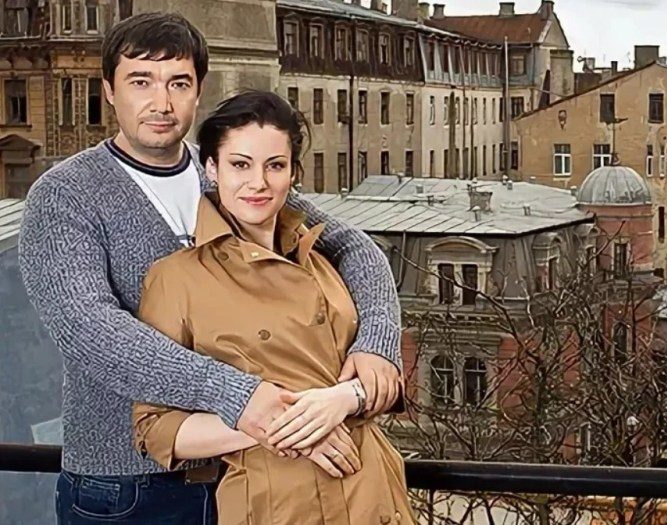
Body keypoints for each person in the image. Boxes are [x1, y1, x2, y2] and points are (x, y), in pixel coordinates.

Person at [18, 12, 403, 524]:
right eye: (141, 82)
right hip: (128, 483)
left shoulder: (226, 170)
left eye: (178, 83)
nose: (161, 102)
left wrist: (376, 341)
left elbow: (353, 247)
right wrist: (240, 399)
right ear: (109, 89)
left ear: (198, 90)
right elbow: (89, 330)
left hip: (246, 471)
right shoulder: (66, 194)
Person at [132, 90, 414, 524]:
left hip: (374, 494)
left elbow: (385, 382)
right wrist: (278, 425)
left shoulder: (326, 259)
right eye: (240, 165)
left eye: (275, 166)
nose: (258, 183)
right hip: (277, 505)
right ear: (212, 168)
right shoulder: (176, 278)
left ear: (293, 173)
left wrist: (342, 399)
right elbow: (154, 428)